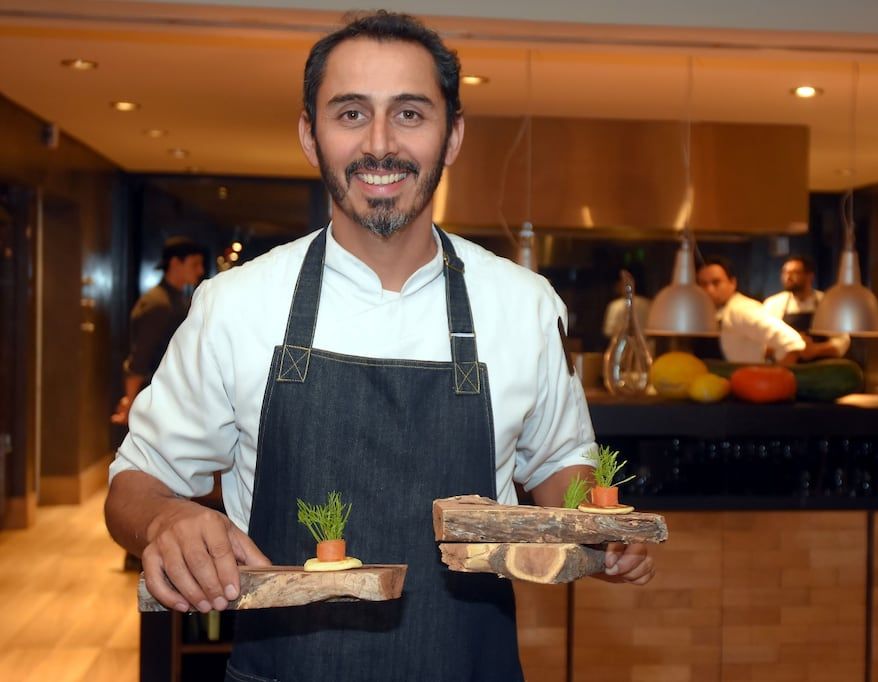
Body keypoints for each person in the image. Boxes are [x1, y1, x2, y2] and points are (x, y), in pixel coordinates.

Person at [104, 11, 653, 682]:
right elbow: (134, 483)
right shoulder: (236, 305)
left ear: (452, 135)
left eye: (411, 114)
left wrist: (600, 524)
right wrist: (166, 519)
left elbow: (559, 465)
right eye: (351, 113)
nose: (381, 144)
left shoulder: (523, 304)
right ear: (310, 135)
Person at [110, 236, 205, 425]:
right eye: (194, 264)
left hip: (164, 394)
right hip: (153, 396)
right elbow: (140, 357)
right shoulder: (159, 303)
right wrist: (130, 403)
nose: (200, 270)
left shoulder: (175, 299)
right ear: (175, 263)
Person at [695, 257, 805, 364]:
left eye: (716, 283)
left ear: (732, 283)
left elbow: (792, 342)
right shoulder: (714, 312)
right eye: (703, 284)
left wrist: (776, 377)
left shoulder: (742, 310)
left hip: (746, 379)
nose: (709, 290)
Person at [762, 256, 850, 361]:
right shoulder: (773, 304)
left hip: (822, 369)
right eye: (785, 272)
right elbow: (764, 343)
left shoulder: (827, 302)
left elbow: (842, 342)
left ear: (810, 276)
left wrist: (815, 349)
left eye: (794, 272)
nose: (788, 277)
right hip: (786, 367)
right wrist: (792, 344)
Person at [602, 272, 651, 338]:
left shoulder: (615, 306)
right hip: (647, 344)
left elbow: (608, 331)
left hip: (623, 345)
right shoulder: (648, 303)